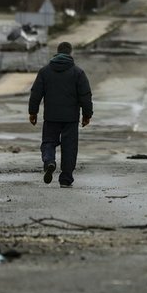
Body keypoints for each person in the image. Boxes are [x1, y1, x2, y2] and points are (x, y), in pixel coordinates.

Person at [28, 41, 93, 188]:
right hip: (71, 118)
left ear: (57, 53)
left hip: (51, 117)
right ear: (70, 54)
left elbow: (36, 94)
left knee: (48, 142)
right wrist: (87, 115)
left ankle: (49, 161)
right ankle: (66, 178)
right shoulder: (78, 72)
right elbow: (85, 96)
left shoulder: (45, 72)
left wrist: (33, 112)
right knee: (69, 147)